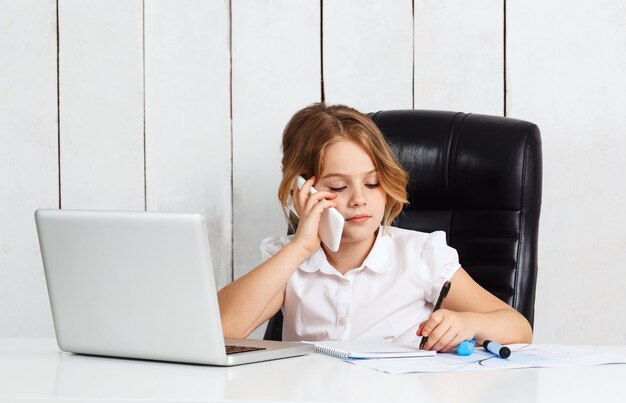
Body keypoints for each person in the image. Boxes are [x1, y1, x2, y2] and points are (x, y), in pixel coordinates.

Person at [218, 103, 532, 352]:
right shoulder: (290, 262)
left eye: (372, 183)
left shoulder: (421, 256)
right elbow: (216, 331)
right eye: (338, 187)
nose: (359, 199)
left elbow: (518, 329)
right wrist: (300, 248)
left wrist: (469, 324)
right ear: (302, 190)